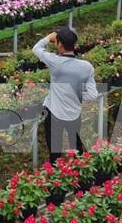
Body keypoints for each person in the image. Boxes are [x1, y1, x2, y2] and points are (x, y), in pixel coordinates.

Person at [32, 28, 98, 162]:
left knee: (55, 153)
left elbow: (36, 48)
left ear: (60, 44)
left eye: (56, 41)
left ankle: (57, 172)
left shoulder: (55, 62)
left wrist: (48, 37)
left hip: (53, 113)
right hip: (74, 113)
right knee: (77, 149)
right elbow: (92, 95)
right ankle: (80, 169)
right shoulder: (86, 66)